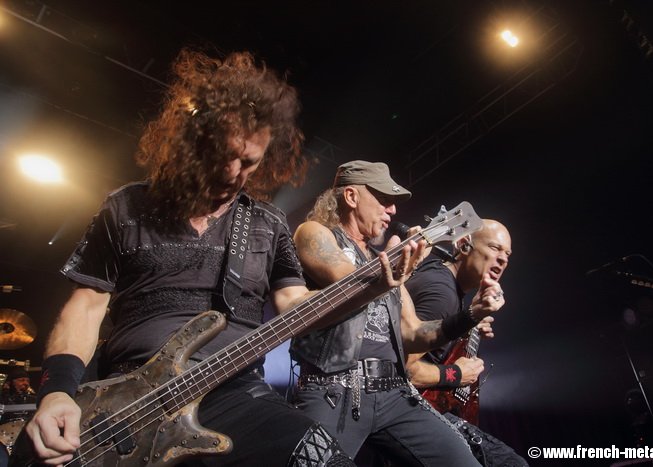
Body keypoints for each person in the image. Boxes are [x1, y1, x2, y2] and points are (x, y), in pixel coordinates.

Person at [21, 49, 422, 467]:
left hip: (237, 393)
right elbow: (85, 307)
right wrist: (56, 393)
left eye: (248, 162)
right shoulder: (126, 207)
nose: (232, 173)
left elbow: (295, 305)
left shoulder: (268, 223)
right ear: (194, 140)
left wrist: (371, 286)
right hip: (127, 404)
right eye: (222, 154)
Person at [289, 161, 504, 466]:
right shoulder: (315, 233)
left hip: (393, 391)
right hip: (333, 389)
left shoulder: (386, 262)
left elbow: (413, 333)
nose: (392, 210)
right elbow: (344, 281)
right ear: (351, 196)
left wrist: (469, 315)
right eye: (384, 200)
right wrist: (395, 263)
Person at [403, 219, 529, 467]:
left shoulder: (445, 282)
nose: (502, 260)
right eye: (494, 248)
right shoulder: (443, 295)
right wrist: (456, 374)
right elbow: (402, 371)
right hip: (410, 411)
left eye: (507, 254)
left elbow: (431, 342)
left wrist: (466, 325)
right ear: (463, 244)